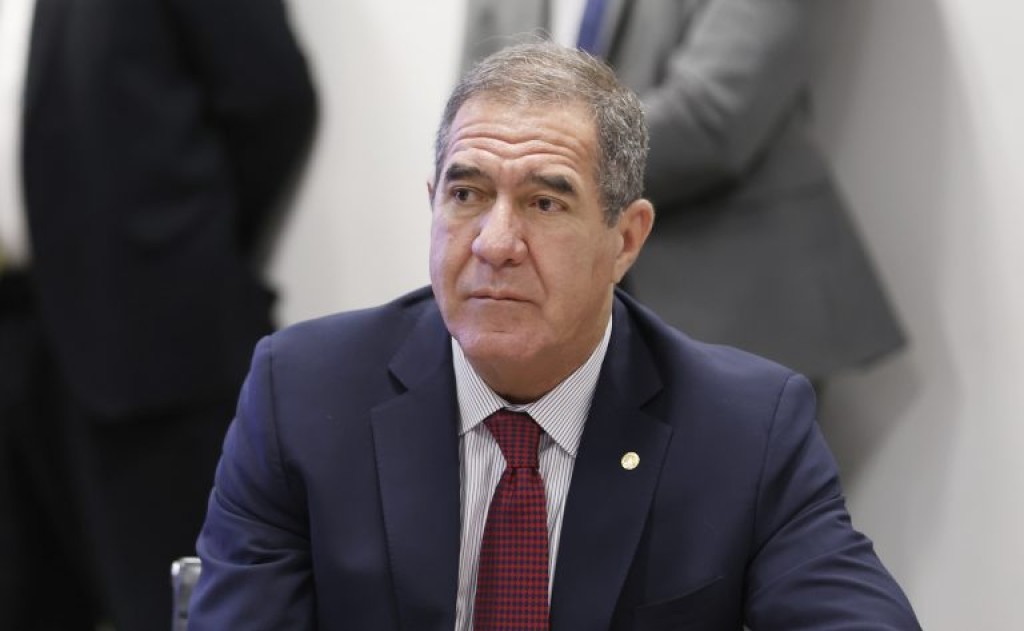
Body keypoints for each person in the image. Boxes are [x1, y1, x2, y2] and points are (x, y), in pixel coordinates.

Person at [189, 42, 919, 629]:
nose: (494, 243)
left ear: (625, 239)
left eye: (544, 202)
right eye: (467, 194)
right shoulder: (303, 394)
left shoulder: (745, 428)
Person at [0, 0, 317, 628]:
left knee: (179, 608)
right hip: (20, 332)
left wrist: (183, 255)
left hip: (148, 352)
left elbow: (271, 100)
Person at [460, 0, 906, 381]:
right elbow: (475, 109)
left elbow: (715, 114)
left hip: (729, 307)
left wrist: (544, 170)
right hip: (541, 315)